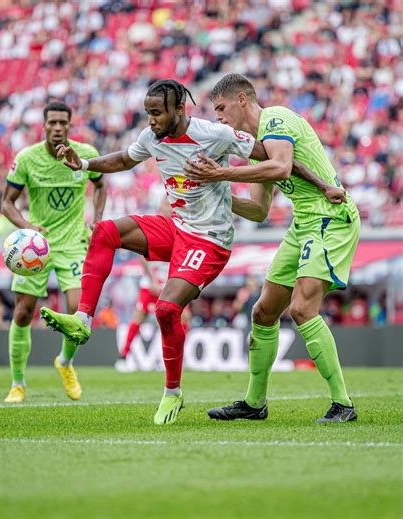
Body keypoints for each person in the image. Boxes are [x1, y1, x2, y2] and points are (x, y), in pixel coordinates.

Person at [39, 79, 343, 425]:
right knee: (107, 231)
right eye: (147, 113)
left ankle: (172, 393)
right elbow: (123, 160)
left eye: (156, 113)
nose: (151, 120)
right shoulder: (151, 137)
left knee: (167, 309)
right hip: (178, 228)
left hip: (209, 240)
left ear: (179, 109)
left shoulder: (215, 134)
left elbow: (274, 159)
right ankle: (82, 320)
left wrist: (321, 184)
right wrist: (84, 165)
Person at [184, 73, 360, 423]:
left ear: (242, 100)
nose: (218, 117)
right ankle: (254, 403)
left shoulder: (276, 118)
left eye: (221, 108)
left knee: (302, 308)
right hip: (303, 223)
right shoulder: (253, 147)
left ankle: (343, 404)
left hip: (329, 218)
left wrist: (220, 175)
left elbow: (281, 166)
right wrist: (213, 193)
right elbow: (260, 211)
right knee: (263, 312)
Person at [1, 101, 107, 404]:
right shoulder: (27, 159)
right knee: (22, 313)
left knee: (79, 312)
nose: (58, 128)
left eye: (63, 123)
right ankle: (18, 384)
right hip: (36, 247)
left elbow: (101, 184)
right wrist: (27, 226)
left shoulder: (86, 154)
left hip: (73, 242)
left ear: (70, 126)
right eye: (52, 123)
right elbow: (7, 202)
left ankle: (64, 362)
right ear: (44, 125)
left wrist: (97, 219)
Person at [114, 258, 191, 373]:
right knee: (139, 317)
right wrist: (152, 280)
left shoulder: (179, 240)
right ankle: (123, 357)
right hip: (151, 284)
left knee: (184, 317)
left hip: (171, 283)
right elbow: (142, 256)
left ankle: (177, 357)